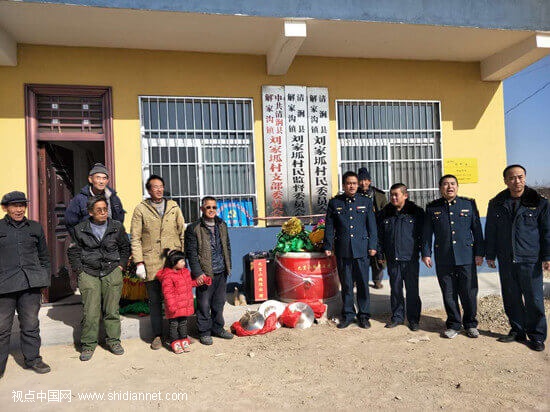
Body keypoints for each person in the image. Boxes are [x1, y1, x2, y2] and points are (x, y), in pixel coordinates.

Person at [485, 165, 549, 351]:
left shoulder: (539, 202)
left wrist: (547, 256)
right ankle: (517, 331)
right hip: (506, 259)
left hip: (530, 259)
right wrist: (490, 254)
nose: (517, 181)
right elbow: (491, 230)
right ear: (505, 181)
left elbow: (547, 232)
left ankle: (537, 336)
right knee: (511, 297)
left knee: (534, 299)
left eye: (520, 177)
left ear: (525, 178)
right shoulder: (496, 202)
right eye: (512, 178)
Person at [68, 195, 130, 361]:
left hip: (112, 270)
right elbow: (73, 252)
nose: (104, 213)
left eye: (105, 209)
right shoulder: (79, 229)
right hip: (89, 272)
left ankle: (114, 341)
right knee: (91, 312)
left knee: (112, 310)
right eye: (99, 210)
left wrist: (120, 266)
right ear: (90, 212)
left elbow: (125, 248)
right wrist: (79, 271)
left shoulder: (117, 226)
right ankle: (88, 345)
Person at [422, 175, 484, 339]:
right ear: (440, 188)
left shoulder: (468, 204)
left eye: (452, 184)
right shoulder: (432, 207)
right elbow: (427, 234)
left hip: (466, 257)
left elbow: (477, 231)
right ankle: (454, 324)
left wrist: (479, 253)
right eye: (445, 184)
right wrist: (426, 254)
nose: (449, 187)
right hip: (444, 257)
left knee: (469, 293)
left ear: (457, 186)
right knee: (448, 293)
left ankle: (470, 324)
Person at [130, 174, 186, 350]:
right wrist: (139, 262)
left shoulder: (173, 206)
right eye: (155, 186)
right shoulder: (141, 209)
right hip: (152, 261)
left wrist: (182, 257)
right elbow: (135, 238)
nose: (159, 189)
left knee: (175, 300)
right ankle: (157, 336)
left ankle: (176, 334)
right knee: (155, 301)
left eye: (161, 186)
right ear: (148, 190)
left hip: (172, 262)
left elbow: (181, 231)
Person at [0, 191, 51, 377]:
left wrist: (44, 281)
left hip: (31, 285)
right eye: (15, 205)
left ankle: (33, 360)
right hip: (4, 286)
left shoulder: (35, 228)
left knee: (30, 325)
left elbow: (44, 257)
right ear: (6, 208)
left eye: (22, 205)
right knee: (1, 329)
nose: (19, 209)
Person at [323, 171, 378, 329]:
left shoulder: (366, 201)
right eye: (349, 183)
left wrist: (373, 245)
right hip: (343, 250)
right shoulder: (335, 203)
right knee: (346, 285)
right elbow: (329, 226)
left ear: (358, 184)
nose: (352, 186)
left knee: (362, 284)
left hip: (361, 250)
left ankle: (364, 316)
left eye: (354, 183)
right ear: (344, 185)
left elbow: (371, 226)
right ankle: (348, 315)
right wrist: (328, 245)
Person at [185, 196, 234, 345]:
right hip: (205, 274)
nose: (211, 210)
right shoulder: (194, 228)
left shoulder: (222, 224)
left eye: (214, 207)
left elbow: (227, 246)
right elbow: (191, 253)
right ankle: (204, 332)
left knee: (219, 303)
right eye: (208, 207)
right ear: (202, 209)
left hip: (221, 271)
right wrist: (198, 273)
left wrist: (228, 266)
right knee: (204, 304)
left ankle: (218, 328)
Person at [377, 183, 425, 331]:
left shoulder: (416, 212)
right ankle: (397, 317)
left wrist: (425, 254)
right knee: (396, 289)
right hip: (393, 259)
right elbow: (379, 236)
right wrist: (380, 254)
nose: (393, 197)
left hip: (410, 259)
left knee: (412, 290)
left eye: (396, 194)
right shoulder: (385, 213)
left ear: (405, 195)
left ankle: (413, 319)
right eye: (391, 194)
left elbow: (423, 236)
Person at [156, 249, 211, 354]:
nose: (184, 263)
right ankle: (175, 342)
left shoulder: (185, 272)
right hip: (174, 307)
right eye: (181, 261)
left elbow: (190, 283)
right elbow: (168, 293)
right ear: (173, 262)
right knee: (174, 325)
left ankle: (184, 340)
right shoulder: (168, 276)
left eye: (183, 260)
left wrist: (202, 281)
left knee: (183, 323)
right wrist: (172, 306)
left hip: (184, 306)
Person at [65, 163, 125, 239]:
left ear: (107, 181)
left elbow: (119, 219)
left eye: (104, 178)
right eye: (98, 178)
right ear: (90, 179)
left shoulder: (113, 198)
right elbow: (70, 223)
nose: (101, 181)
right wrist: (81, 240)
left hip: (110, 243)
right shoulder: (79, 199)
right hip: (88, 244)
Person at [358, 167, 388, 289]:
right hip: (361, 231)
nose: (363, 183)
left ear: (370, 181)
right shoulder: (355, 195)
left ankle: (377, 280)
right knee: (360, 257)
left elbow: (385, 212)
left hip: (376, 230)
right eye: (361, 180)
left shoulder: (379, 195)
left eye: (366, 180)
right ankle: (358, 280)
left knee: (378, 258)